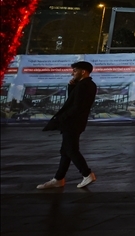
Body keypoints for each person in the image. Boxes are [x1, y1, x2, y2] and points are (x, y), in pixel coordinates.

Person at [37, 61, 97, 189]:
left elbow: (76, 106)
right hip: (76, 122)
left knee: (71, 150)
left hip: (72, 122)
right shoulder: (86, 85)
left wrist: (62, 118)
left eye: (75, 70)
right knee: (65, 151)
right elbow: (73, 100)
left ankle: (87, 174)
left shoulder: (84, 85)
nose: (72, 73)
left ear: (83, 72)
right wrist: (72, 87)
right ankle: (59, 179)